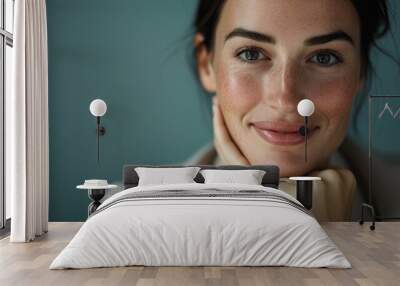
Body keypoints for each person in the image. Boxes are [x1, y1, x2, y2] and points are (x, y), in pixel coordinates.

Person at [185, 0, 392, 221]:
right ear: (206, 64)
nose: (286, 100)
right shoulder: (146, 233)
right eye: (251, 54)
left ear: (360, 72)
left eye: (324, 58)